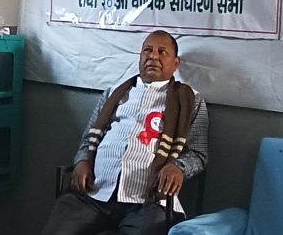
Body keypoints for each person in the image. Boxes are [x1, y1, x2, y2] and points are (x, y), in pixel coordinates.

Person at [41, 30, 208, 235]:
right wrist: (82, 161)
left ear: (175, 63)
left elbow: (198, 154)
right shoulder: (114, 94)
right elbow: (88, 140)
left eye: (162, 52)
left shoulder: (190, 101)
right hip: (96, 193)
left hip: (148, 202)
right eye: (147, 50)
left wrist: (178, 167)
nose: (153, 56)